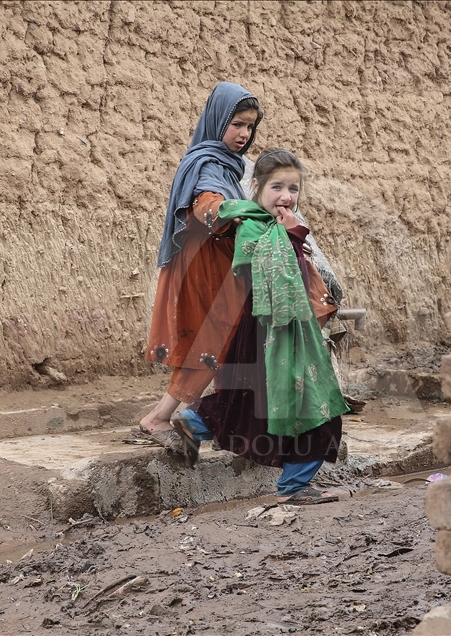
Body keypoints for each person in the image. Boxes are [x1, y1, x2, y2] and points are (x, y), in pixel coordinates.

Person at [170, 149, 350, 505]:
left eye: (293, 189)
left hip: (286, 332)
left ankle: (193, 423)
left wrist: (293, 233)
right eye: (277, 187)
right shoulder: (252, 224)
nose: (286, 197)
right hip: (263, 332)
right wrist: (294, 235)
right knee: (313, 407)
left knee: (254, 402)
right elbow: (260, 270)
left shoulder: (278, 226)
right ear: (256, 187)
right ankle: (294, 486)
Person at [137, 82, 263, 451]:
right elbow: (207, 201)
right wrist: (232, 211)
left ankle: (219, 424)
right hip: (202, 267)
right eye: (237, 123)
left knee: (225, 343)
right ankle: (158, 418)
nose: (244, 134)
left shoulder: (226, 163)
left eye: (250, 127)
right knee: (212, 342)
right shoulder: (207, 162)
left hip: (217, 266)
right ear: (217, 119)